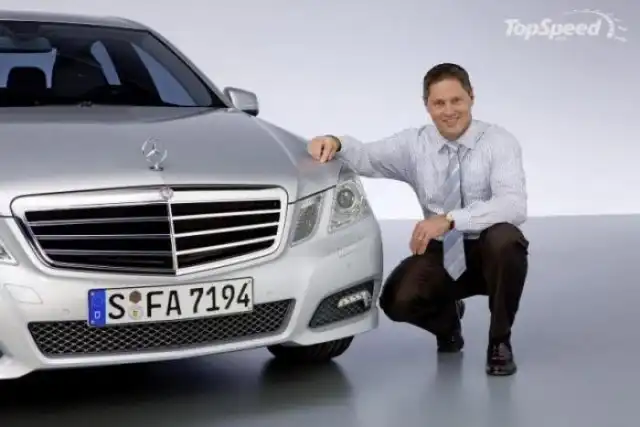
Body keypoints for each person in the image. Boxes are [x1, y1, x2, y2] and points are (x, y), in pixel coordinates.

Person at [307, 63, 529, 376]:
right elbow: (366, 156)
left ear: (471, 97)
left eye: (456, 100)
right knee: (397, 300)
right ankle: (449, 323)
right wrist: (334, 141)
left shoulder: (499, 141)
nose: (449, 111)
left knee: (506, 239)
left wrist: (451, 219)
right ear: (427, 105)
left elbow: (513, 205)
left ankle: (500, 341)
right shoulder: (414, 144)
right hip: (445, 251)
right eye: (439, 103)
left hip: (490, 252)